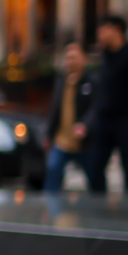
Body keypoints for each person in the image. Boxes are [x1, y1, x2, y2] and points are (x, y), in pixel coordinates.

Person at [79, 14, 128, 196]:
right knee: (95, 168)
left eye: (102, 29)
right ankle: (99, 211)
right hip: (104, 121)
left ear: (116, 30)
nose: (99, 34)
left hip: (126, 121)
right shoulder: (106, 56)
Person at [43, 41, 91, 199]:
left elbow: (96, 109)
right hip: (62, 139)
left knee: (94, 178)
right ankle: (51, 211)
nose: (70, 61)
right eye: (68, 57)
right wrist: (49, 135)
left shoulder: (91, 82)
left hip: (83, 142)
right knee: (53, 173)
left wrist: (85, 125)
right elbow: (55, 110)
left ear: (83, 59)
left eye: (74, 57)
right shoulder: (61, 81)